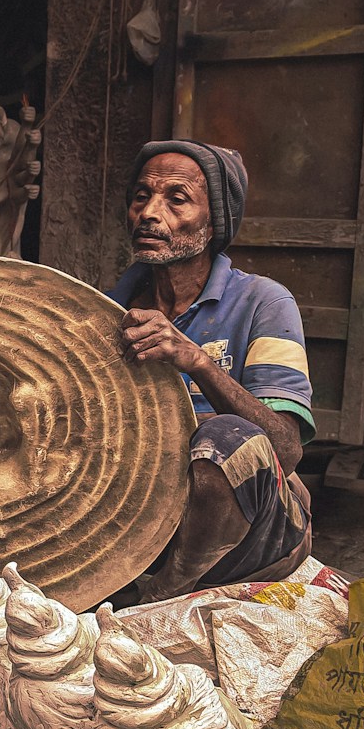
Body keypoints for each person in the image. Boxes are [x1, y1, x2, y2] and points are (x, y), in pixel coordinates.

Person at [109, 141, 315, 600]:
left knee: (223, 439)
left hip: (252, 536)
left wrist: (197, 361)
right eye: (141, 196)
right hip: (139, 523)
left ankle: (164, 595)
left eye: (175, 199)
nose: (149, 213)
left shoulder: (265, 302)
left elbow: (287, 447)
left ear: (214, 220)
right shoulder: (108, 309)